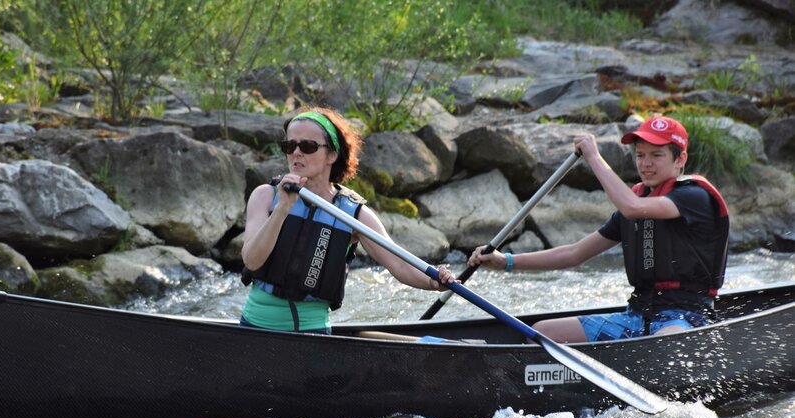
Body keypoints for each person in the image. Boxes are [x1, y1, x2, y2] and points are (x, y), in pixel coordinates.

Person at [468, 116, 729, 343]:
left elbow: (632, 207)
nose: (646, 163)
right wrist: (506, 262)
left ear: (680, 159)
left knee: (660, 348)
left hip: (686, 318)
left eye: (656, 155)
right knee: (541, 332)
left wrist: (593, 157)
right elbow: (574, 253)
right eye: (640, 155)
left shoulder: (693, 197)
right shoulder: (636, 206)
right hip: (636, 316)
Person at [240, 107, 455, 334]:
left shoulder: (353, 213)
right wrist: (283, 208)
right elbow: (252, 261)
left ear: (331, 155)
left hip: (311, 333)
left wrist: (434, 281)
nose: (296, 153)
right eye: (289, 146)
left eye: (308, 146)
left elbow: (399, 264)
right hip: (255, 327)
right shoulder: (265, 196)